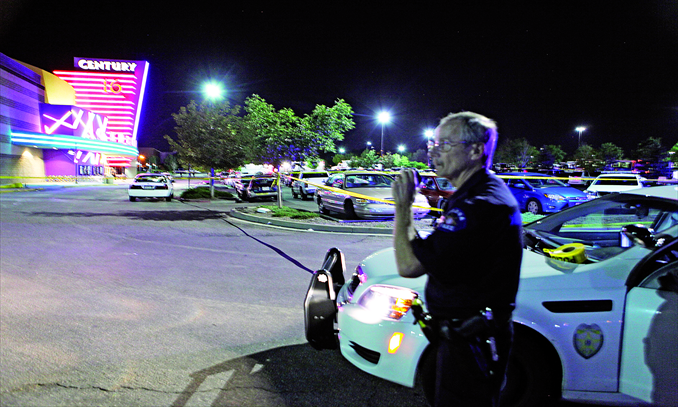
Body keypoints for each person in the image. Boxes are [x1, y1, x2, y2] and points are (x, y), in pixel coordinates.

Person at [392, 111, 523, 407]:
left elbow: (408, 265)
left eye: (445, 144)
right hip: (460, 338)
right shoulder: (469, 196)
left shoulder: (479, 205)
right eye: (433, 145)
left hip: (470, 343)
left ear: (476, 150)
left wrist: (403, 207)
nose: (434, 152)